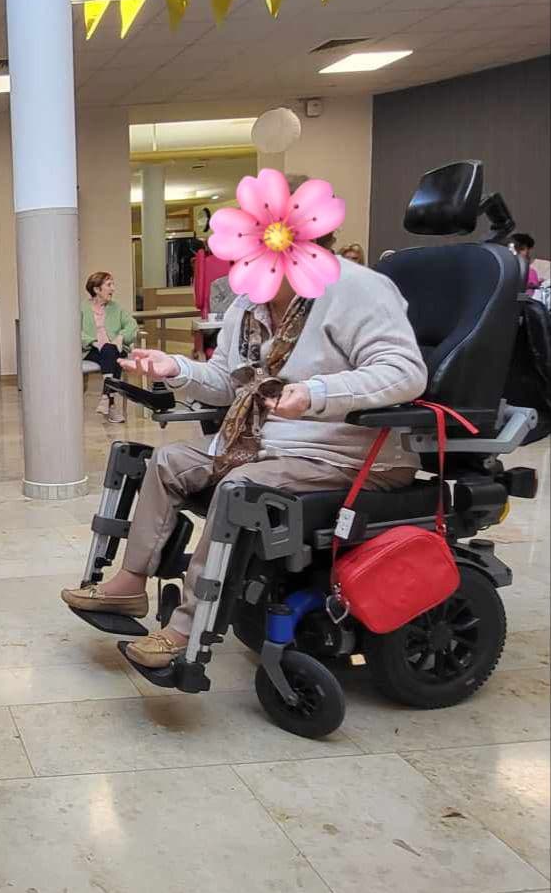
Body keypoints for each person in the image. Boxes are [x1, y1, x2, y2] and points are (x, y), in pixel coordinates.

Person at [62, 255, 429, 670]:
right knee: (167, 461)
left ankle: (187, 627)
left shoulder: (354, 288)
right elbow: (226, 381)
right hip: (261, 441)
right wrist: (176, 368)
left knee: (240, 487)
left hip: (343, 453)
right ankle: (130, 585)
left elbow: (405, 372)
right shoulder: (248, 304)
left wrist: (315, 393)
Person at [81, 270, 139, 423]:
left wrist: (120, 337)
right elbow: (75, 330)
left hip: (113, 348)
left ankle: (107, 398)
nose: (113, 288)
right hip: (92, 350)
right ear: (96, 289)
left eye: (112, 284)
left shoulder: (116, 307)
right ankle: (110, 402)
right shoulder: (82, 308)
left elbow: (132, 325)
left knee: (111, 350)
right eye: (109, 285)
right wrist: (93, 342)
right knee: (112, 354)